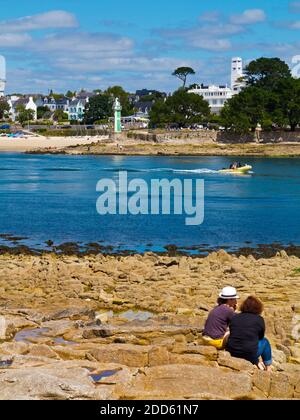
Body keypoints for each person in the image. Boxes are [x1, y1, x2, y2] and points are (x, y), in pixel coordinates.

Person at [226, 296, 273, 372]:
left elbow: (232, 332)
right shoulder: (259, 319)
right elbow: (260, 337)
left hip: (232, 352)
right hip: (249, 353)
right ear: (258, 307)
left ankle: (256, 361)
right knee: (265, 341)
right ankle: (268, 368)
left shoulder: (235, 317)